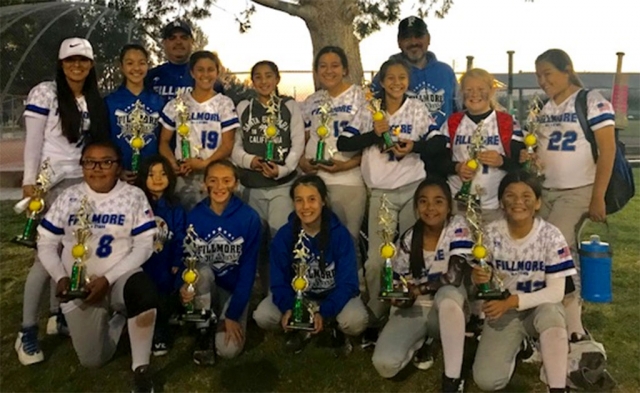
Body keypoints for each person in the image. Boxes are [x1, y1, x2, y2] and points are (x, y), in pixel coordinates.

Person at [36, 140, 158, 392]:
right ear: (82, 166)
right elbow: (46, 242)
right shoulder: (69, 197)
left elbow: (145, 246)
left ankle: (141, 368)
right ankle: (119, 320)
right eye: (90, 162)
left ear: (118, 167)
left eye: (106, 162)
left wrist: (109, 279)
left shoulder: (133, 196)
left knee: (142, 290)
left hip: (118, 280)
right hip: (78, 285)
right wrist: (60, 276)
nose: (97, 168)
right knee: (93, 360)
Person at [15, 37, 108, 366]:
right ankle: (27, 330)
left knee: (74, 251)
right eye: (71, 61)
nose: (77, 66)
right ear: (61, 63)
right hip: (50, 184)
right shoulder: (45, 92)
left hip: (81, 183)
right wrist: (30, 182)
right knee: (46, 256)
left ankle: (58, 315)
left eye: (83, 60)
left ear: (91, 64)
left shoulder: (92, 98)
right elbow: (34, 141)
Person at [340, 58, 437, 341]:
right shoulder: (370, 108)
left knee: (409, 256)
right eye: (390, 78)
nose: (396, 83)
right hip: (381, 193)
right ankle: (376, 313)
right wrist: (374, 134)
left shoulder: (416, 108)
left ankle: (407, 314)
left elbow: (438, 142)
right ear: (381, 81)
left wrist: (414, 146)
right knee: (375, 261)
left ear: (408, 81)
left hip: (411, 188)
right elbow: (345, 142)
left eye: (402, 78)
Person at [523, 49, 616, 341]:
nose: (542, 80)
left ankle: (574, 324)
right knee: (540, 251)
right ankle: (547, 315)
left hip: (578, 190)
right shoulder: (545, 107)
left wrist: (598, 196)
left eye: (547, 73)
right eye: (538, 75)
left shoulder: (591, 100)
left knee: (560, 249)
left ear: (566, 70)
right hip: (546, 190)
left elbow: (607, 150)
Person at [471, 171, 575, 392]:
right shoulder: (489, 234)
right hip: (504, 310)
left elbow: (556, 293)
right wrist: (478, 278)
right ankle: (521, 346)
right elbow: (483, 280)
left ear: (538, 203)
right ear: (501, 202)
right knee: (487, 380)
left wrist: (511, 301)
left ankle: (557, 386)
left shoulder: (551, 235)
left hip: (538, 308)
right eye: (510, 195)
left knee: (552, 313)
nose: (518, 202)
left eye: (526, 196)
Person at [371, 177, 472, 393]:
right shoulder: (409, 237)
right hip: (416, 307)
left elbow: (453, 277)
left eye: (438, 201)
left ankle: (452, 377)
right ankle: (422, 340)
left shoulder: (458, 226)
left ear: (448, 206)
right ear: (416, 206)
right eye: (423, 202)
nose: (430, 208)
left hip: (447, 304)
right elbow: (398, 279)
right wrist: (397, 294)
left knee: (448, 295)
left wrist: (417, 289)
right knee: (385, 365)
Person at [253, 174, 368, 355]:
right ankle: (298, 327)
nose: (306, 207)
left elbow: (348, 283)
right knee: (262, 315)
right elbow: (278, 281)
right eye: (299, 200)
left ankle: (332, 325)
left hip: (330, 296)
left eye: (312, 199)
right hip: (300, 298)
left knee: (356, 320)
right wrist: (289, 307)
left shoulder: (339, 235)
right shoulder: (285, 236)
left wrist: (324, 310)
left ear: (323, 201)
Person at [231, 60, 305, 293]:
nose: (264, 81)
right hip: (251, 186)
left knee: (280, 242)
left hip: (281, 186)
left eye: (268, 76)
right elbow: (234, 146)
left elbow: (298, 144)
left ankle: (283, 293)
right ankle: (265, 294)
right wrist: (249, 161)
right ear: (252, 81)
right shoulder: (244, 107)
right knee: (258, 243)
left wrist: (283, 170)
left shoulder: (289, 106)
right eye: (258, 77)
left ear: (277, 79)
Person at [179, 159, 261, 365]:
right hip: (206, 285)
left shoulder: (249, 217)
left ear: (235, 183)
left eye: (226, 180)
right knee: (202, 272)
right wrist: (184, 286)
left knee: (228, 350)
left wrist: (233, 314)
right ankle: (204, 332)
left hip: (232, 290)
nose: (219, 186)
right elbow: (188, 260)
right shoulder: (195, 216)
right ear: (204, 183)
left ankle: (222, 315)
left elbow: (248, 270)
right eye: (213, 180)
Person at [299, 46, 367, 290]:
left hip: (348, 180)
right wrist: (301, 162)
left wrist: (346, 164)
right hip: (315, 181)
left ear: (345, 68)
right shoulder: (311, 101)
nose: (329, 70)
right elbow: (302, 139)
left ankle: (353, 296)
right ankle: (318, 293)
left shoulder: (360, 96)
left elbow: (370, 144)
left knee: (348, 240)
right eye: (323, 66)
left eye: (335, 65)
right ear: (316, 71)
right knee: (316, 242)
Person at [438, 68, 525, 223]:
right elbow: (437, 162)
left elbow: (521, 164)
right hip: (458, 205)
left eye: (480, 89)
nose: (474, 94)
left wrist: (501, 161)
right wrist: (456, 167)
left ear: (491, 91)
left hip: (494, 207)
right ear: (461, 93)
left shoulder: (506, 122)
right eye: (469, 90)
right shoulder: (453, 122)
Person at [159, 51, 238, 210]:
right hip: (185, 175)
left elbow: (228, 144)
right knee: (186, 222)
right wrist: (174, 164)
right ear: (192, 72)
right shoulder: (178, 103)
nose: (205, 74)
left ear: (217, 72)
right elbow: (164, 142)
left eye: (210, 69)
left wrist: (204, 164)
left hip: (215, 175)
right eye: (200, 69)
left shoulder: (224, 103)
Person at [135, 155, 186, 356]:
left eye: (163, 174)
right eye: (151, 174)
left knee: (164, 289)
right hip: (143, 261)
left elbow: (180, 236)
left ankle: (161, 330)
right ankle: (143, 328)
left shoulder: (175, 207)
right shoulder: (137, 205)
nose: (157, 179)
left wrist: (176, 261)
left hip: (166, 260)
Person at [372, 16, 457, 131]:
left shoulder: (446, 72)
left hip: (441, 145)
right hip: (400, 144)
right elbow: (370, 109)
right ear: (399, 42)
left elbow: (461, 109)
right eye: (407, 38)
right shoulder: (386, 74)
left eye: (418, 36)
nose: (413, 42)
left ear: (428, 39)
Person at [105, 44, 164, 183]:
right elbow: (104, 140)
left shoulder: (160, 102)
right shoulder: (109, 102)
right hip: (119, 177)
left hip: (153, 178)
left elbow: (165, 141)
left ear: (147, 65)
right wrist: (116, 170)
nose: (136, 68)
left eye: (141, 63)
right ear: (121, 66)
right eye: (130, 63)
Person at [146, 20, 223, 102]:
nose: (178, 42)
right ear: (164, 43)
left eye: (184, 37)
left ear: (192, 42)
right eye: (172, 38)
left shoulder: (208, 79)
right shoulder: (149, 78)